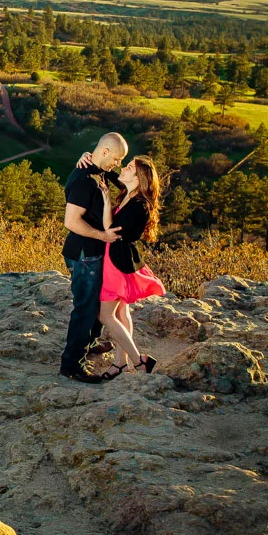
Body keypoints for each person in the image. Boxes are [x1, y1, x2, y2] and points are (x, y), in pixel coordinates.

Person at [85, 154, 165, 379]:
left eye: (129, 167)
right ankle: (120, 362)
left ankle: (139, 360)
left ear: (139, 178)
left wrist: (107, 201)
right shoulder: (131, 192)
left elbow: (111, 231)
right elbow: (109, 171)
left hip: (117, 262)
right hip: (117, 257)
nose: (124, 168)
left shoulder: (139, 205)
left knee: (105, 314)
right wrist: (89, 159)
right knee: (121, 311)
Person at [59, 132, 126, 383]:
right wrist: (103, 236)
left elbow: (126, 183)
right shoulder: (83, 179)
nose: (118, 164)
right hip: (84, 255)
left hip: (93, 254)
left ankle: (88, 345)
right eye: (117, 159)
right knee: (85, 310)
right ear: (105, 152)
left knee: (96, 306)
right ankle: (72, 365)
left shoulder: (99, 171)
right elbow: (71, 221)